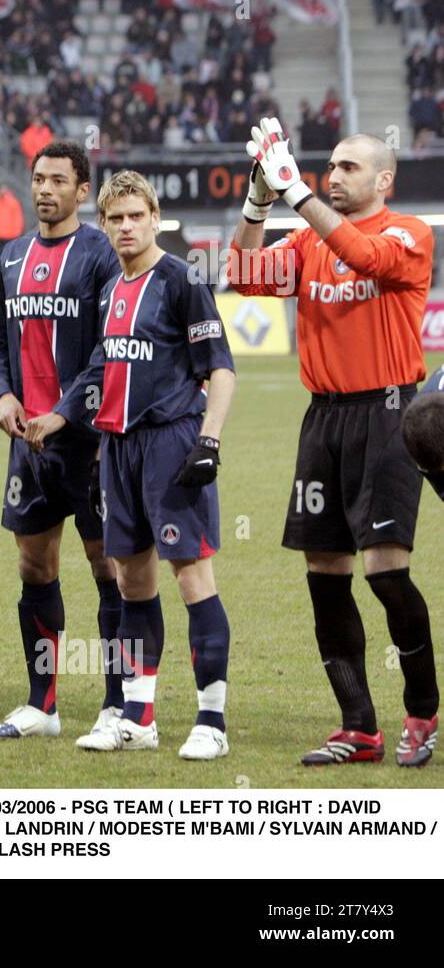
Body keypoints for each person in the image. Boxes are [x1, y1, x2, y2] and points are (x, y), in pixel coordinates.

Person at [227, 120, 437, 767]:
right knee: (325, 572)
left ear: (384, 180)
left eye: (348, 167)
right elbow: (240, 274)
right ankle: (359, 728)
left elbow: (365, 258)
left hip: (390, 414)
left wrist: (295, 193)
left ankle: (424, 712)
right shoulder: (306, 243)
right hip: (323, 420)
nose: (334, 175)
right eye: (331, 167)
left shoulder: (409, 233)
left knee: (385, 571)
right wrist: (260, 199)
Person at [26, 170, 237, 761]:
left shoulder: (181, 280)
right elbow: (100, 370)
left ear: (155, 217)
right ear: (103, 224)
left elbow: (220, 367)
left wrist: (209, 441)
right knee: (130, 582)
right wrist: (62, 417)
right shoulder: (112, 289)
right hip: (117, 449)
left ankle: (211, 721)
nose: (125, 226)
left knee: (192, 579)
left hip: (172, 443)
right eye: (114, 218)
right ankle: (138, 717)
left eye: (135, 216)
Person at [0, 141, 124, 745]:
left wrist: (66, 415)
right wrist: (2, 396)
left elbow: (109, 348)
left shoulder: (100, 255)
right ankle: (43, 705)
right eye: (38, 179)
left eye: (58, 180)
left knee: (109, 569)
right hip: (28, 441)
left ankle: (121, 705)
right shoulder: (12, 256)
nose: (44, 189)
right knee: (33, 566)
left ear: (82, 190)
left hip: (89, 443)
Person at [0, 185, 25, 263]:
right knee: (1, 254)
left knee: (10, 255)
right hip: (0, 234)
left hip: (11, 235)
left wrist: (17, 230)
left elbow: (17, 217)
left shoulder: (13, 202)